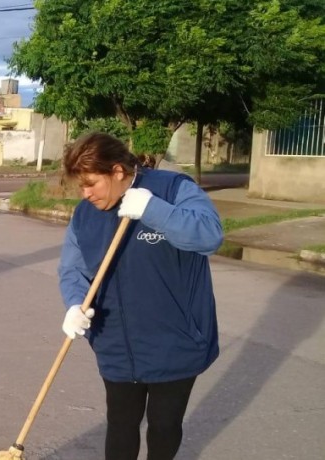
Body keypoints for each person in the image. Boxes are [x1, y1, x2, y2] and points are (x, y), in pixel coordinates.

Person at [57, 132, 223, 460]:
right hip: (116, 344)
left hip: (175, 343)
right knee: (120, 423)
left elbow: (209, 235)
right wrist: (75, 304)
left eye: (91, 183)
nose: (85, 193)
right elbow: (72, 268)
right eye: (81, 185)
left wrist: (152, 208)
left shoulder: (173, 190)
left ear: (117, 171)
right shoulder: (85, 215)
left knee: (163, 426)